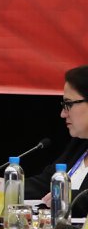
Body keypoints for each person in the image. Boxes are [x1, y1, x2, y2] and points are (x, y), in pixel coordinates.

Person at [26, 64, 88, 216]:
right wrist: (0, 188)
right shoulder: (80, 145)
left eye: (68, 104)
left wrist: (68, 197)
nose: (62, 114)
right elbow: (44, 183)